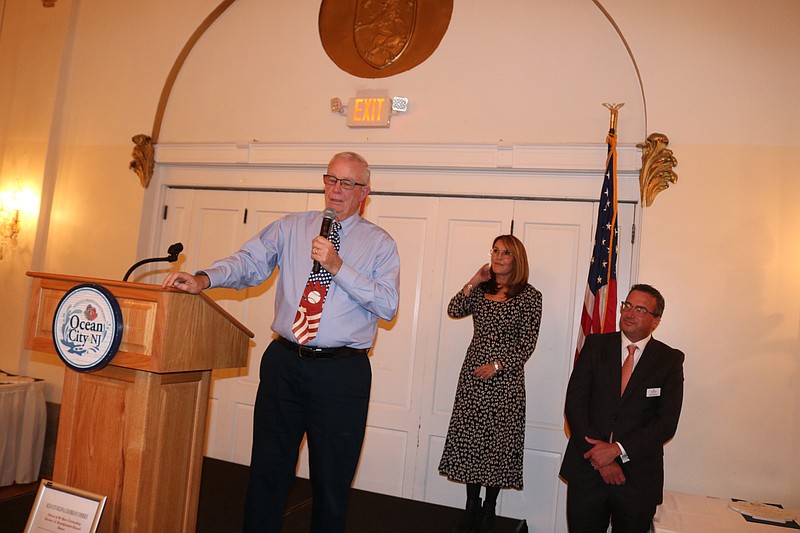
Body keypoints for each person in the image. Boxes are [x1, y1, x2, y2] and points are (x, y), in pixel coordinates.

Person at [162, 152, 400, 533]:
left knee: (331, 480)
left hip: (341, 373)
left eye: (347, 183)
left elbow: (387, 305)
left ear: (365, 192)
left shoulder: (379, 244)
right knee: (268, 470)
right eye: (331, 180)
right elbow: (248, 262)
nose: (336, 190)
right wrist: (205, 279)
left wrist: (338, 267)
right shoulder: (292, 227)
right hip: (285, 364)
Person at [438, 235, 543, 533]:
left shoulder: (530, 296)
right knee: (471, 440)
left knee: (498, 443)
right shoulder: (482, 290)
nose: (497, 257)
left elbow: (527, 344)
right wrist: (473, 279)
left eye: (505, 253)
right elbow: (454, 309)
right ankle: (471, 505)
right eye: (495, 251)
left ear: (516, 259)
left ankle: (490, 506)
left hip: (506, 381)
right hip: (473, 377)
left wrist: (497, 366)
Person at [559, 284, 684, 533]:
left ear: (656, 320)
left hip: (637, 478)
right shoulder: (596, 346)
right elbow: (575, 403)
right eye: (627, 305)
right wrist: (601, 459)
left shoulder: (669, 360)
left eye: (640, 309)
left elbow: (666, 423)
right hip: (588, 472)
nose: (629, 313)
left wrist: (617, 450)